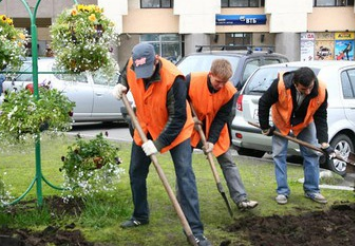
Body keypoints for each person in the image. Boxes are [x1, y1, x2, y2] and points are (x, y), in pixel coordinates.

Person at [112, 43, 211, 246]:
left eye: (148, 71)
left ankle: (196, 231)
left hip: (177, 132)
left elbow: (177, 118)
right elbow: (125, 75)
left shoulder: (174, 78)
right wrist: (121, 84)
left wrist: (157, 144)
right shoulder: (133, 64)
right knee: (136, 172)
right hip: (145, 127)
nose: (145, 76)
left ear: (156, 59)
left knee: (185, 176)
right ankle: (140, 215)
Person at [186, 59, 258, 211]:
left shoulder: (229, 91)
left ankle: (241, 199)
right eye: (218, 81)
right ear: (210, 74)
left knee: (228, 163)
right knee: (184, 166)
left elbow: (221, 118)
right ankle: (185, 203)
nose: (221, 85)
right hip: (190, 129)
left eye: (225, 82)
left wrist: (211, 141)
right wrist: (188, 117)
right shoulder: (191, 80)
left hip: (215, 129)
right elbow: (179, 101)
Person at [258, 67, 336, 205]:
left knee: (312, 153)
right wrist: (265, 126)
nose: (308, 92)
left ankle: (312, 190)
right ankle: (282, 192)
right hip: (282, 120)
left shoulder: (321, 90)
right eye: (303, 89)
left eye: (310, 87)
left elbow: (321, 116)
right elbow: (264, 102)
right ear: (295, 84)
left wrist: (323, 142)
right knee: (279, 155)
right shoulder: (281, 85)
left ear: (313, 81)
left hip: (305, 122)